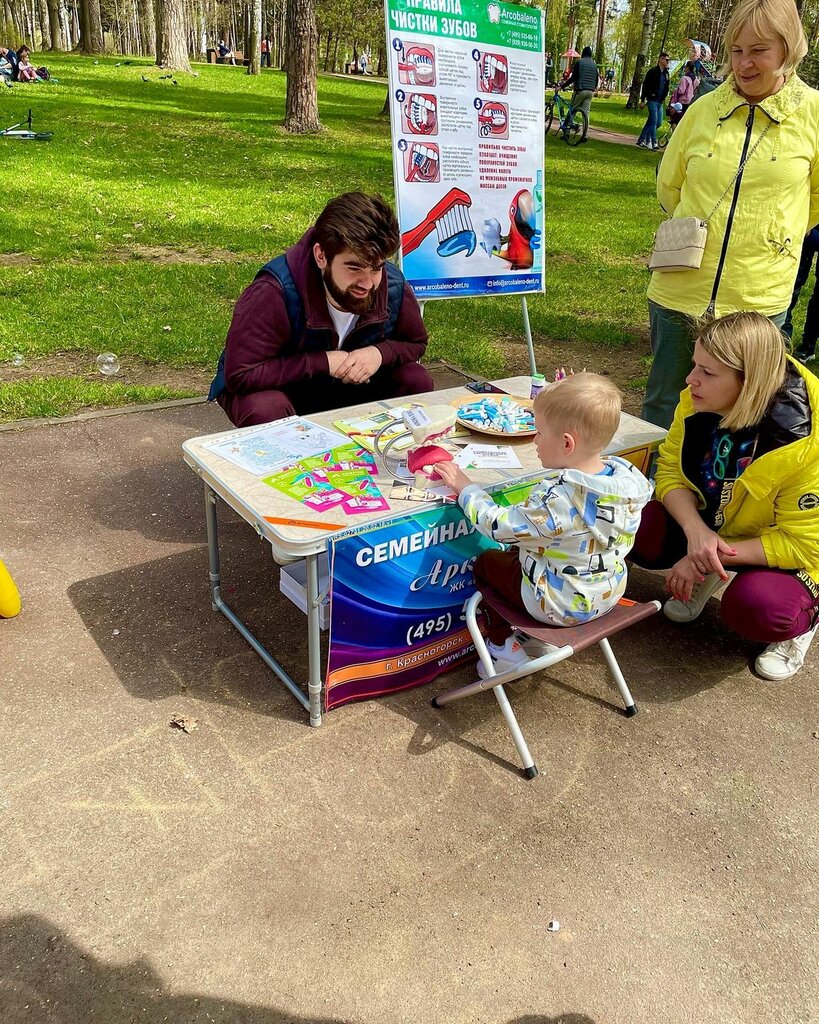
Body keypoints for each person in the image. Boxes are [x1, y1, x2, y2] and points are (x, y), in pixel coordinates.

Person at [642, 0, 819, 429]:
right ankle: (652, 493)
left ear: (788, 49)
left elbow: (814, 202)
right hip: (681, 288)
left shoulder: (814, 113)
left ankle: (727, 495)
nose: (745, 63)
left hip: (758, 295)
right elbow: (670, 186)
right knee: (666, 401)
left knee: (748, 411)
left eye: (759, 50)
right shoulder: (704, 108)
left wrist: (772, 234)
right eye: (737, 50)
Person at [630, 312, 819, 681]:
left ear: (749, 382)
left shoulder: (804, 442)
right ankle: (713, 566)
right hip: (718, 525)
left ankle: (804, 622)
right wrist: (696, 533)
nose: (690, 380)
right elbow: (669, 469)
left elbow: (806, 544)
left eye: (707, 372)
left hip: (782, 548)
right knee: (634, 526)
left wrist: (705, 556)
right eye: (694, 365)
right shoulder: (697, 398)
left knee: (760, 609)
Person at [435, 374, 653, 676]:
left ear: (567, 443)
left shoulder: (558, 499)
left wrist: (467, 489)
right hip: (607, 595)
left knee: (488, 563)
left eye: (539, 433)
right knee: (520, 555)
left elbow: (499, 526)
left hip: (559, 606)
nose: (535, 441)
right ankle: (533, 637)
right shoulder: (625, 485)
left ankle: (502, 648)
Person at [210, 192, 433, 427]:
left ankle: (400, 458)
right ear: (321, 256)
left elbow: (415, 342)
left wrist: (378, 354)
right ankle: (281, 459)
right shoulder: (274, 291)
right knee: (264, 407)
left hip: (355, 386)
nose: (367, 283)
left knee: (415, 379)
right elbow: (240, 374)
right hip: (288, 390)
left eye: (376, 268)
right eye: (354, 268)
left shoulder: (393, 284)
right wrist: (325, 362)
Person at [783, 225, 819, 363]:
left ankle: (782, 357)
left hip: (795, 268)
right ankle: (806, 347)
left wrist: (809, 234)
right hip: (790, 264)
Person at [636, 52, 670, 150]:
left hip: (660, 101)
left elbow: (666, 87)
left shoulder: (666, 73)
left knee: (657, 122)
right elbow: (645, 85)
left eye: (668, 60)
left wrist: (664, 98)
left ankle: (641, 140)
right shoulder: (652, 72)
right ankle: (652, 142)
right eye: (666, 60)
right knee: (653, 121)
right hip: (652, 100)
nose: (667, 62)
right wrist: (642, 100)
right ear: (660, 59)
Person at [568, 45, 598, 136]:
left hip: (580, 90)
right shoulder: (594, 65)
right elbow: (597, 79)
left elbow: (573, 78)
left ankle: (566, 132)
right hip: (590, 91)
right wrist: (593, 88)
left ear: (583, 54)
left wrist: (562, 86)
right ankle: (585, 134)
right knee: (586, 113)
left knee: (572, 110)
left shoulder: (579, 63)